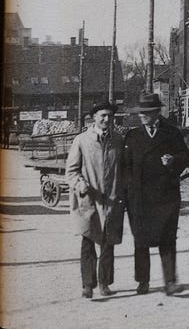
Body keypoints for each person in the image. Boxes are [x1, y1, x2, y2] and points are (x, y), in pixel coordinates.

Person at [124, 92, 189, 296]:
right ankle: (143, 281)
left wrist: (174, 160)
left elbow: (185, 156)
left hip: (166, 197)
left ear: (157, 113)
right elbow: (125, 167)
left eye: (147, 112)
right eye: (140, 112)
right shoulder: (133, 136)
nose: (142, 116)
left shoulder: (172, 133)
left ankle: (170, 282)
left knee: (167, 239)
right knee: (140, 240)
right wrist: (128, 193)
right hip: (140, 198)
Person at [65, 101, 125, 299]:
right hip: (89, 199)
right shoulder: (82, 141)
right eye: (103, 116)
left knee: (108, 242)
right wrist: (80, 184)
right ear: (94, 118)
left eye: (110, 116)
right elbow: (71, 171)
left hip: (111, 200)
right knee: (88, 240)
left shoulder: (118, 140)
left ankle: (104, 283)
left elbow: (125, 168)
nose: (107, 119)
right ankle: (88, 284)